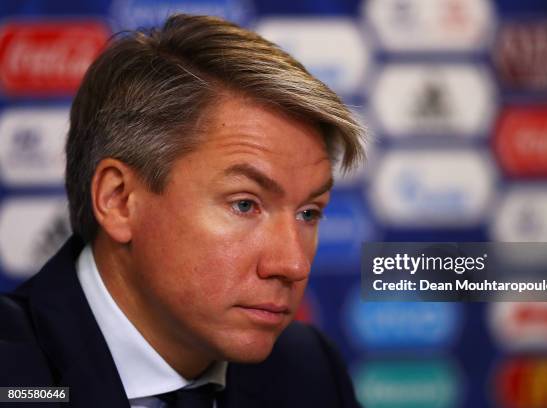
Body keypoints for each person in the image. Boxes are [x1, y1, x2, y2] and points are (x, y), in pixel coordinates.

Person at [0, 14, 365, 408]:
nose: (293, 265)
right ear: (119, 200)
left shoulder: (307, 369)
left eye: (309, 213)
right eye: (245, 205)